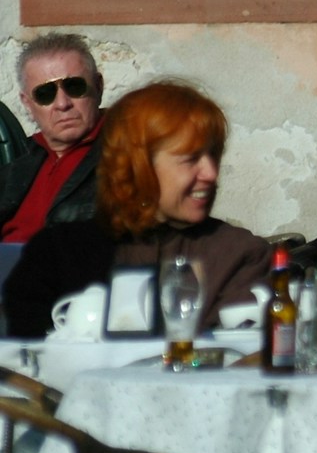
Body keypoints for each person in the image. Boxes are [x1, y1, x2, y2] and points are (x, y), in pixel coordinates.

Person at [3, 80, 274, 338]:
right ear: (137, 166)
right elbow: (23, 363)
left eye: (213, 155)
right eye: (190, 159)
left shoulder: (237, 254)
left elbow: (239, 361)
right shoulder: (59, 254)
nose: (211, 173)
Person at [0, 33, 106, 243]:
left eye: (74, 86)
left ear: (99, 86)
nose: (62, 104)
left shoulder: (128, 153)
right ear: (28, 103)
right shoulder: (21, 162)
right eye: (45, 93)